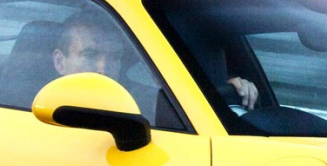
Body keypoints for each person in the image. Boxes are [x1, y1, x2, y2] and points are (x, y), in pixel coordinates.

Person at [53, 11, 259, 109]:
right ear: (60, 62)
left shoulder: (139, 102)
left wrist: (226, 95)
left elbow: (185, 110)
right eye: (90, 55)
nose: (103, 68)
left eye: (114, 57)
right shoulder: (30, 108)